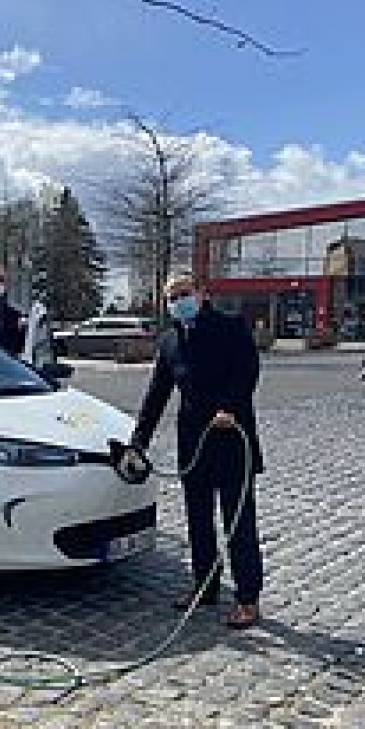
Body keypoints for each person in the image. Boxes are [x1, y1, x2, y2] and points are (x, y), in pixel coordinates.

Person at [129, 270, 264, 629]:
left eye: (183, 294)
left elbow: (247, 370)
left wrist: (230, 407)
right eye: (171, 298)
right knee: (199, 522)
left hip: (232, 439)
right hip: (194, 445)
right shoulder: (170, 341)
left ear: (202, 294)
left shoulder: (231, 326)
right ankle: (205, 586)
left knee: (239, 523)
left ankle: (248, 598)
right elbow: (156, 394)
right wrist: (138, 441)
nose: (178, 302)